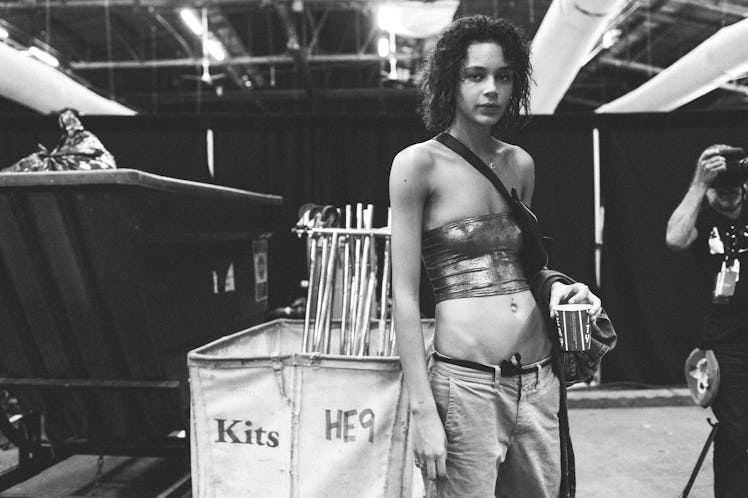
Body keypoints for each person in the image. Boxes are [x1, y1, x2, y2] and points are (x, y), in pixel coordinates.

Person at [389, 15, 602, 498]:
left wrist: (561, 288)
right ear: (451, 80)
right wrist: (422, 409)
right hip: (466, 389)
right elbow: (402, 295)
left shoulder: (519, 164)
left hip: (538, 380)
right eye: (475, 75)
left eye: (503, 76)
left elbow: (524, 268)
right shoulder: (417, 165)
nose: (491, 89)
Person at [666, 145, 748, 497]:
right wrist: (700, 184)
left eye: (735, 188)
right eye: (721, 189)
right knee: (736, 431)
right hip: (726, 343)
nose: (728, 196)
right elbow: (674, 239)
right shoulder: (699, 216)